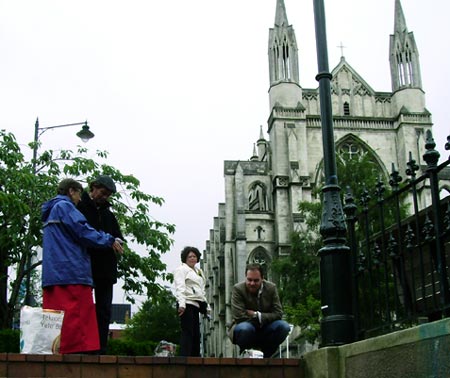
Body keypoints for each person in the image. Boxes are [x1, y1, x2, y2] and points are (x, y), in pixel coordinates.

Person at [41, 178, 123, 354]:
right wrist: (109, 240)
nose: (79, 199)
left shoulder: (50, 211)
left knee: (58, 315)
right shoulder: (66, 207)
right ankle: (79, 351)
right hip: (71, 270)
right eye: (78, 193)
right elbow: (83, 231)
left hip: (53, 271)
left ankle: (60, 349)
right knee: (78, 314)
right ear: (72, 191)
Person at [77, 175, 124, 355]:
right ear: (93, 188)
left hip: (105, 269)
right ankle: (83, 346)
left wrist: (116, 242)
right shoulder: (80, 208)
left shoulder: (108, 215)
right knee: (84, 308)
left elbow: (118, 237)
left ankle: (100, 347)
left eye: (108, 195)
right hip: (85, 266)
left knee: (104, 309)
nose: (104, 197)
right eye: (103, 193)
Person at [228, 263, 290, 358]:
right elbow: (239, 316)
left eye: (256, 280)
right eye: (249, 280)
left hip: (266, 328)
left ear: (262, 278)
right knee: (245, 329)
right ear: (245, 277)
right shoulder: (238, 289)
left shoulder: (271, 288)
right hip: (247, 327)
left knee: (284, 327)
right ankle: (247, 352)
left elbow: (278, 313)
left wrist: (257, 315)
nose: (252, 283)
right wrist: (266, 317)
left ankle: (267, 354)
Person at [173, 246, 210, 357]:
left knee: (196, 334)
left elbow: (202, 290)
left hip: (196, 304)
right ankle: (184, 357)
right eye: (190, 256)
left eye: (194, 256)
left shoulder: (199, 272)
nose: (192, 258)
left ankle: (195, 357)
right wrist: (182, 304)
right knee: (187, 332)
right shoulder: (181, 270)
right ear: (185, 258)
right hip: (187, 303)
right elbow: (180, 287)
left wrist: (207, 308)